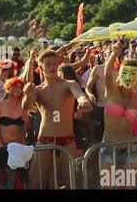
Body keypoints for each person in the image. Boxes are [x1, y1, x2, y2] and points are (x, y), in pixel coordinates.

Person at [22, 50, 93, 189]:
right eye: (48, 64)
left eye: (54, 64)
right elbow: (26, 106)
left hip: (67, 139)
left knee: (72, 182)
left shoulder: (69, 84)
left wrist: (84, 101)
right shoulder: (38, 90)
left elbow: (79, 94)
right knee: (37, 183)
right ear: (41, 67)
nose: (52, 67)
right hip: (44, 139)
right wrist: (27, 94)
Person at [100, 42, 137, 188]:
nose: (129, 78)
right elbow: (107, 73)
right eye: (125, 73)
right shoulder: (112, 91)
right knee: (108, 186)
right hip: (108, 147)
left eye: (134, 75)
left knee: (129, 186)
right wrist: (114, 53)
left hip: (130, 148)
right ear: (119, 75)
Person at [0, 78, 31, 189]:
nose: (18, 89)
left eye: (21, 87)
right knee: (2, 183)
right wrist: (1, 147)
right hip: (2, 147)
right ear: (9, 87)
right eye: (16, 86)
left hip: (20, 148)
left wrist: (27, 124)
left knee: (20, 183)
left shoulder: (24, 106)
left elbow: (28, 129)